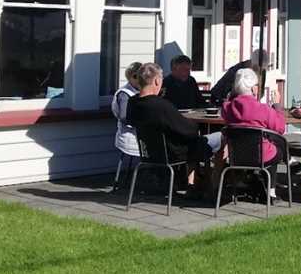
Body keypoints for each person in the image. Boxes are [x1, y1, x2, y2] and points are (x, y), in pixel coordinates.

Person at [127, 63, 222, 197]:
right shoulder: (161, 106)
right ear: (156, 81)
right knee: (221, 137)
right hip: (174, 153)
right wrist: (195, 126)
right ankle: (215, 187)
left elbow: (131, 121)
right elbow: (189, 130)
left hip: (149, 153)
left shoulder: (132, 103)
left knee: (195, 142)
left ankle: (194, 184)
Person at [221, 68, 286, 203]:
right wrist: (277, 105)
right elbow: (280, 128)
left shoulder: (227, 108)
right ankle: (271, 191)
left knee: (268, 142)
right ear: (255, 89)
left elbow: (227, 106)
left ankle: (251, 180)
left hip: (236, 156)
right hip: (262, 155)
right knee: (277, 144)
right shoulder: (263, 109)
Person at [210, 49, 283, 106]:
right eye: (256, 68)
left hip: (247, 107)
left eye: (262, 69)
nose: (259, 71)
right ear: (251, 62)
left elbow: (260, 94)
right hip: (222, 104)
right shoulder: (237, 71)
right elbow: (227, 95)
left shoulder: (261, 71)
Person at [111, 62, 142, 161]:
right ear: (132, 77)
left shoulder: (142, 90)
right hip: (131, 137)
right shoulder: (124, 94)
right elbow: (125, 118)